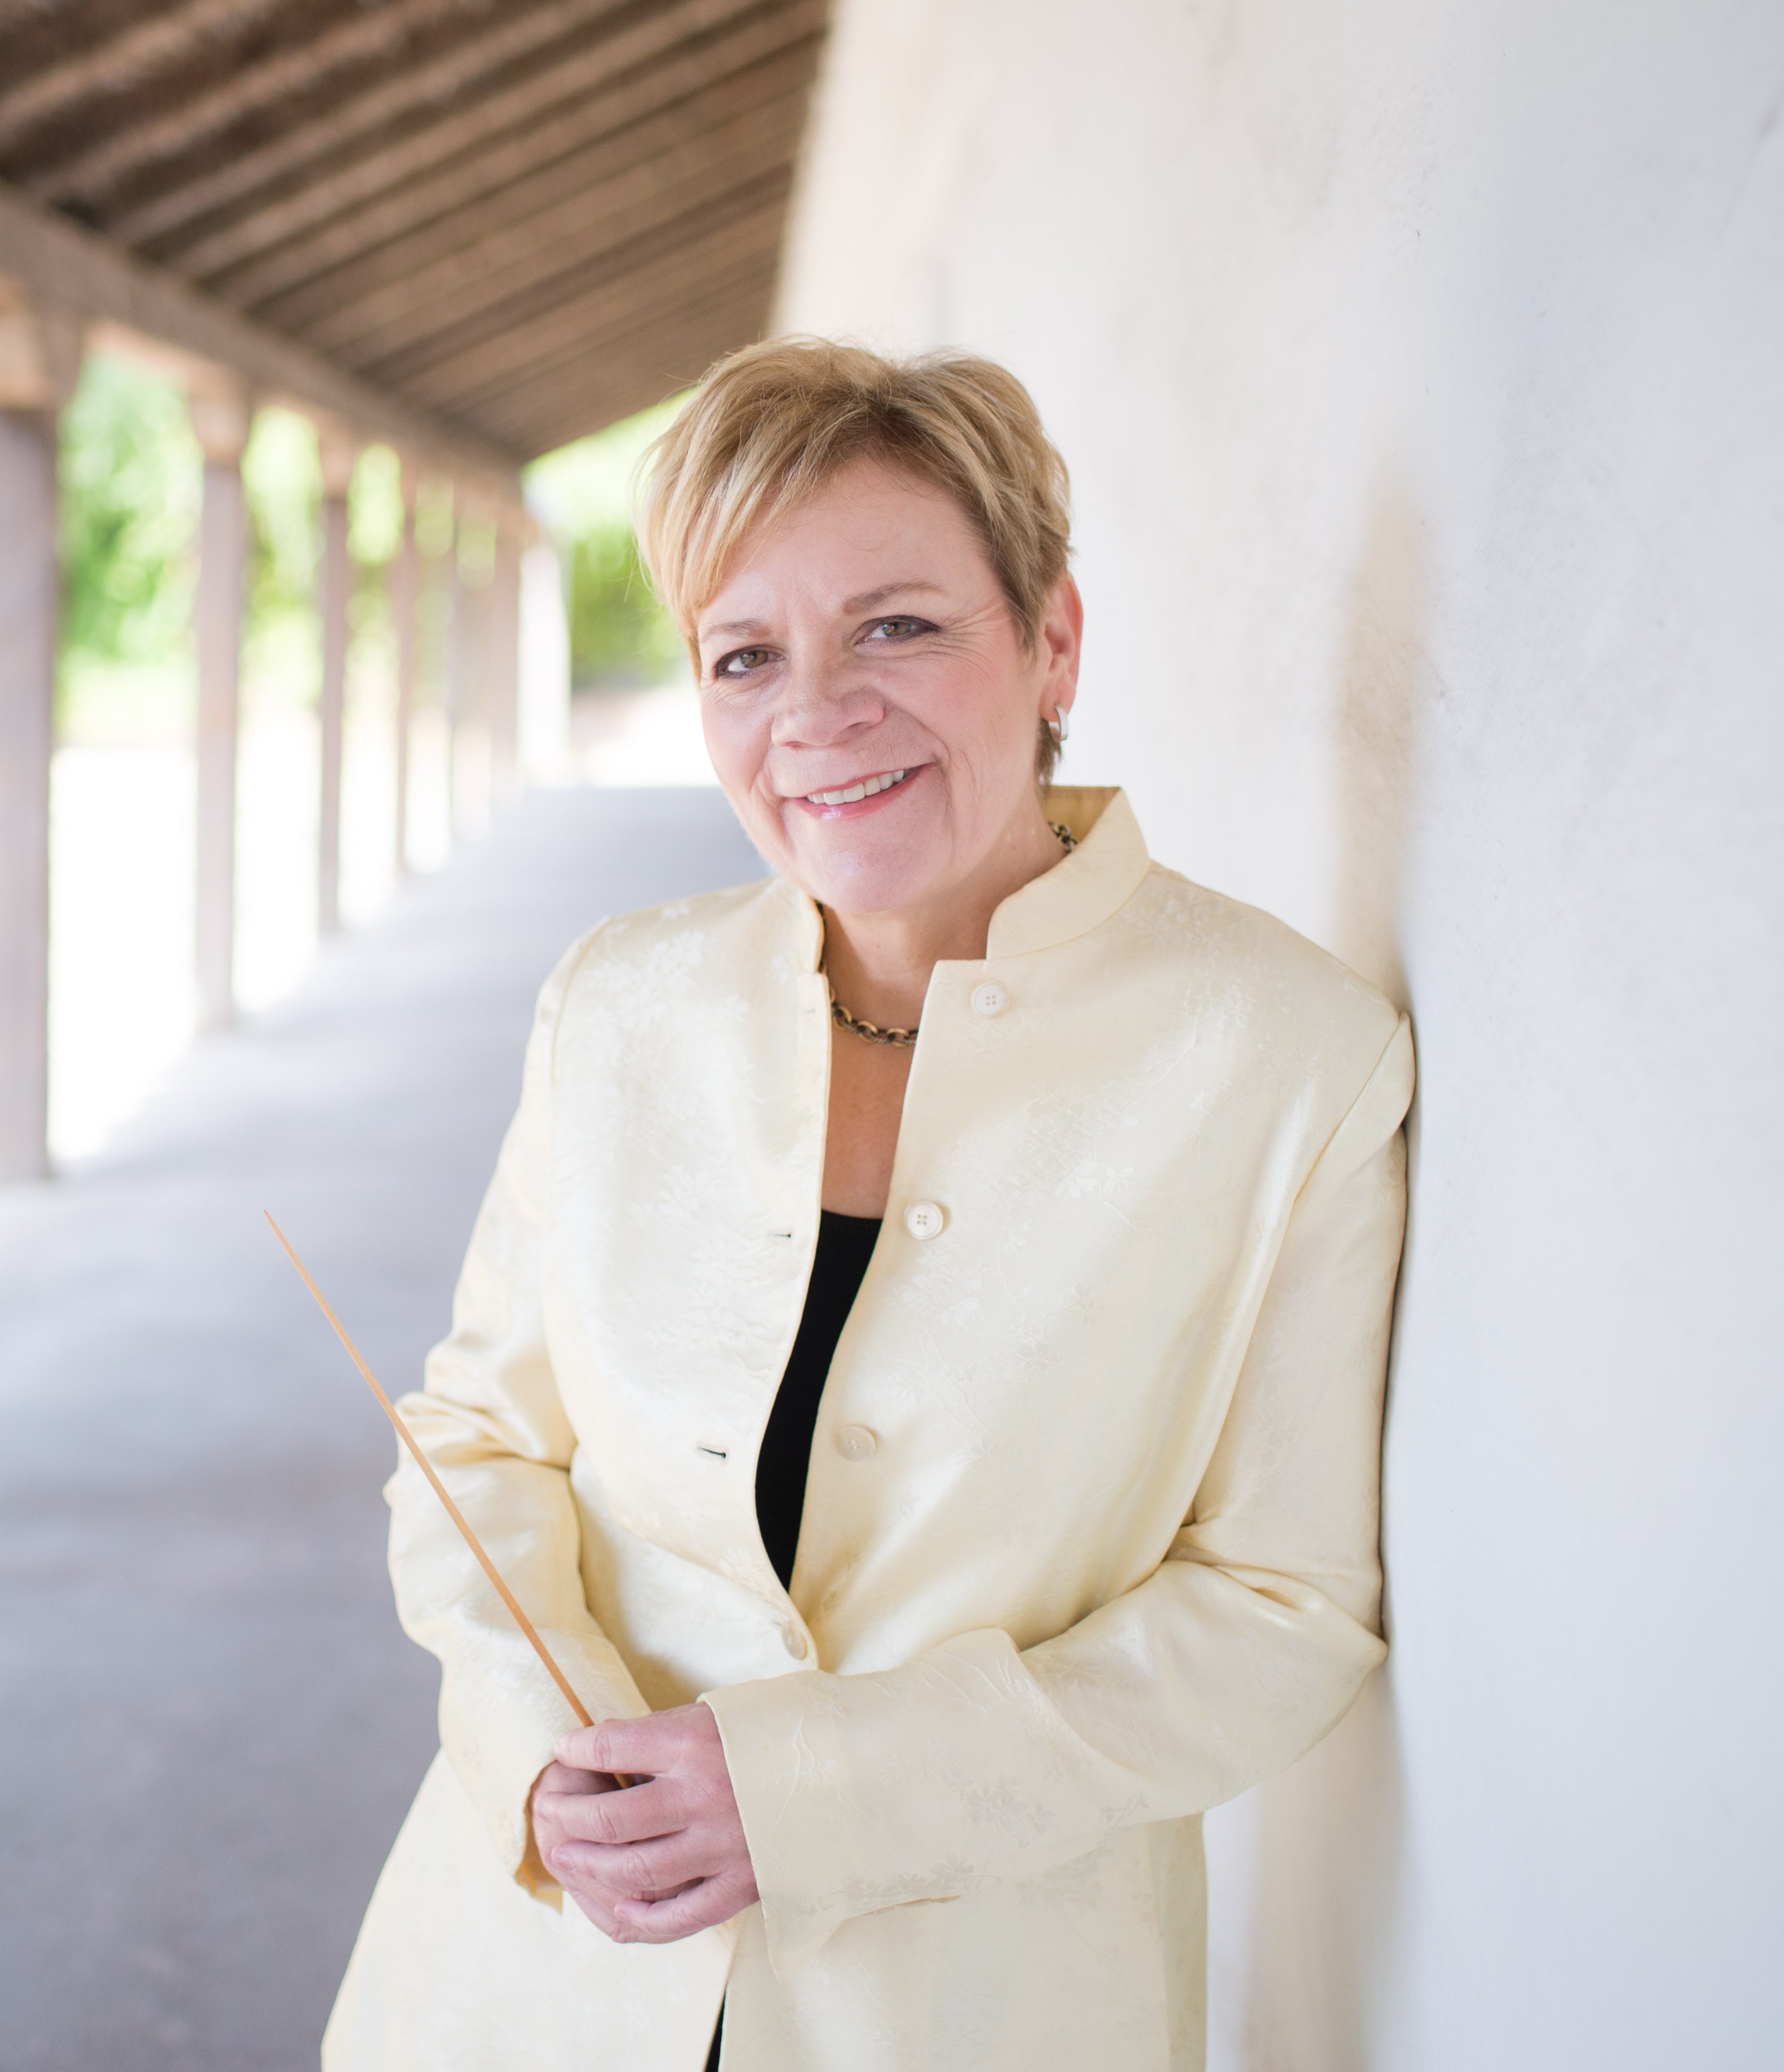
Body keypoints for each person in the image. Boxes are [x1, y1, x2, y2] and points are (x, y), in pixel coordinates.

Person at [322, 339, 1413, 2072]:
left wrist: (808, 1796)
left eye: (896, 625)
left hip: (989, 2012)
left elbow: (1279, 1605)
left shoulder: (1290, 1061)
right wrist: (546, 1744)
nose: (815, 716)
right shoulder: (613, 1003)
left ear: (1052, 640)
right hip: (524, 1991)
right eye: (744, 655)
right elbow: (472, 1440)